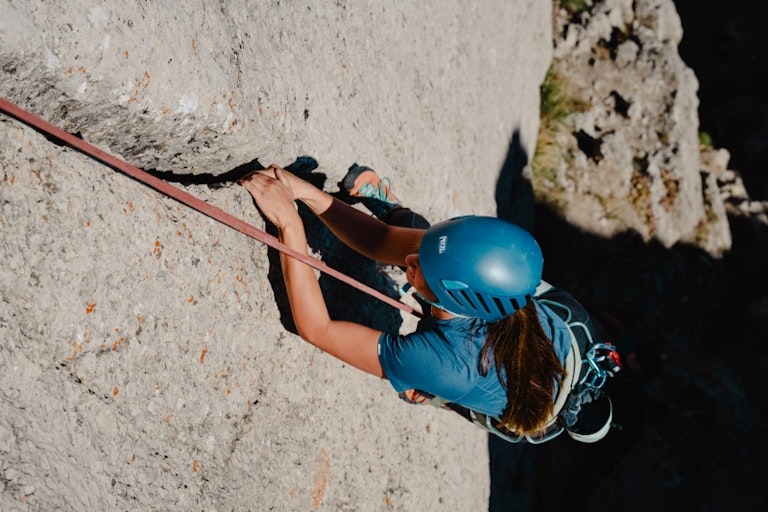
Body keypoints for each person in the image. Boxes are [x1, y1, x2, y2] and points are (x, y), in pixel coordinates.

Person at [238, 162, 619, 443]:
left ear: (459, 298)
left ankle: (429, 391)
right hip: (558, 342)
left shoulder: (447, 363)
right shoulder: (489, 279)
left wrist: (290, 224)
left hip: (492, 376)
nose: (410, 260)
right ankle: (398, 209)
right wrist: (304, 192)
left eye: (424, 269)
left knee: (421, 383)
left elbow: (318, 329)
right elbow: (383, 240)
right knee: (423, 237)